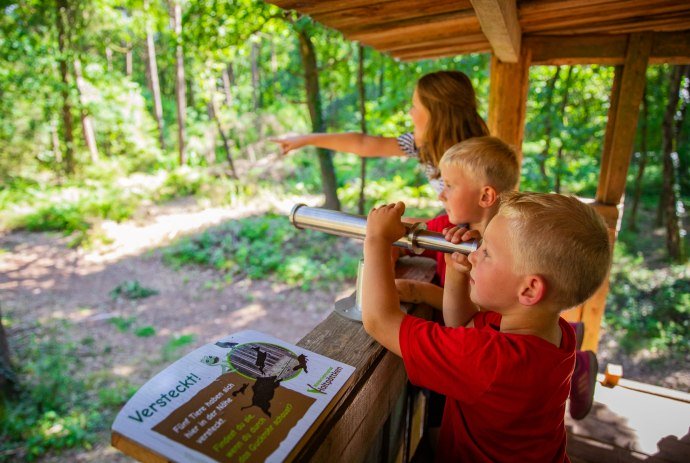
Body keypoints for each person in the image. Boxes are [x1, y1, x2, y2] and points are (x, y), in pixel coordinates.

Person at [361, 191, 611, 461]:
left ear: (529, 289)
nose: (474, 255)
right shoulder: (552, 331)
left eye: (487, 252)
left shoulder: (493, 360)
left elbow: (379, 321)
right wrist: (457, 274)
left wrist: (377, 240)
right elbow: (464, 325)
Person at [394, 136, 600, 423]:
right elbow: (412, 234)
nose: (441, 194)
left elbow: (478, 316)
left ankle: (577, 364)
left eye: (449, 186)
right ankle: (572, 344)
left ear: (486, 196)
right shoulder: (454, 227)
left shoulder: (509, 253)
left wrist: (417, 290)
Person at [270, 70, 489, 195]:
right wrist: (305, 139)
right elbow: (363, 145)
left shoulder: (477, 160)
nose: (410, 113)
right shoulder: (424, 145)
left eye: (415, 106)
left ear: (438, 116)